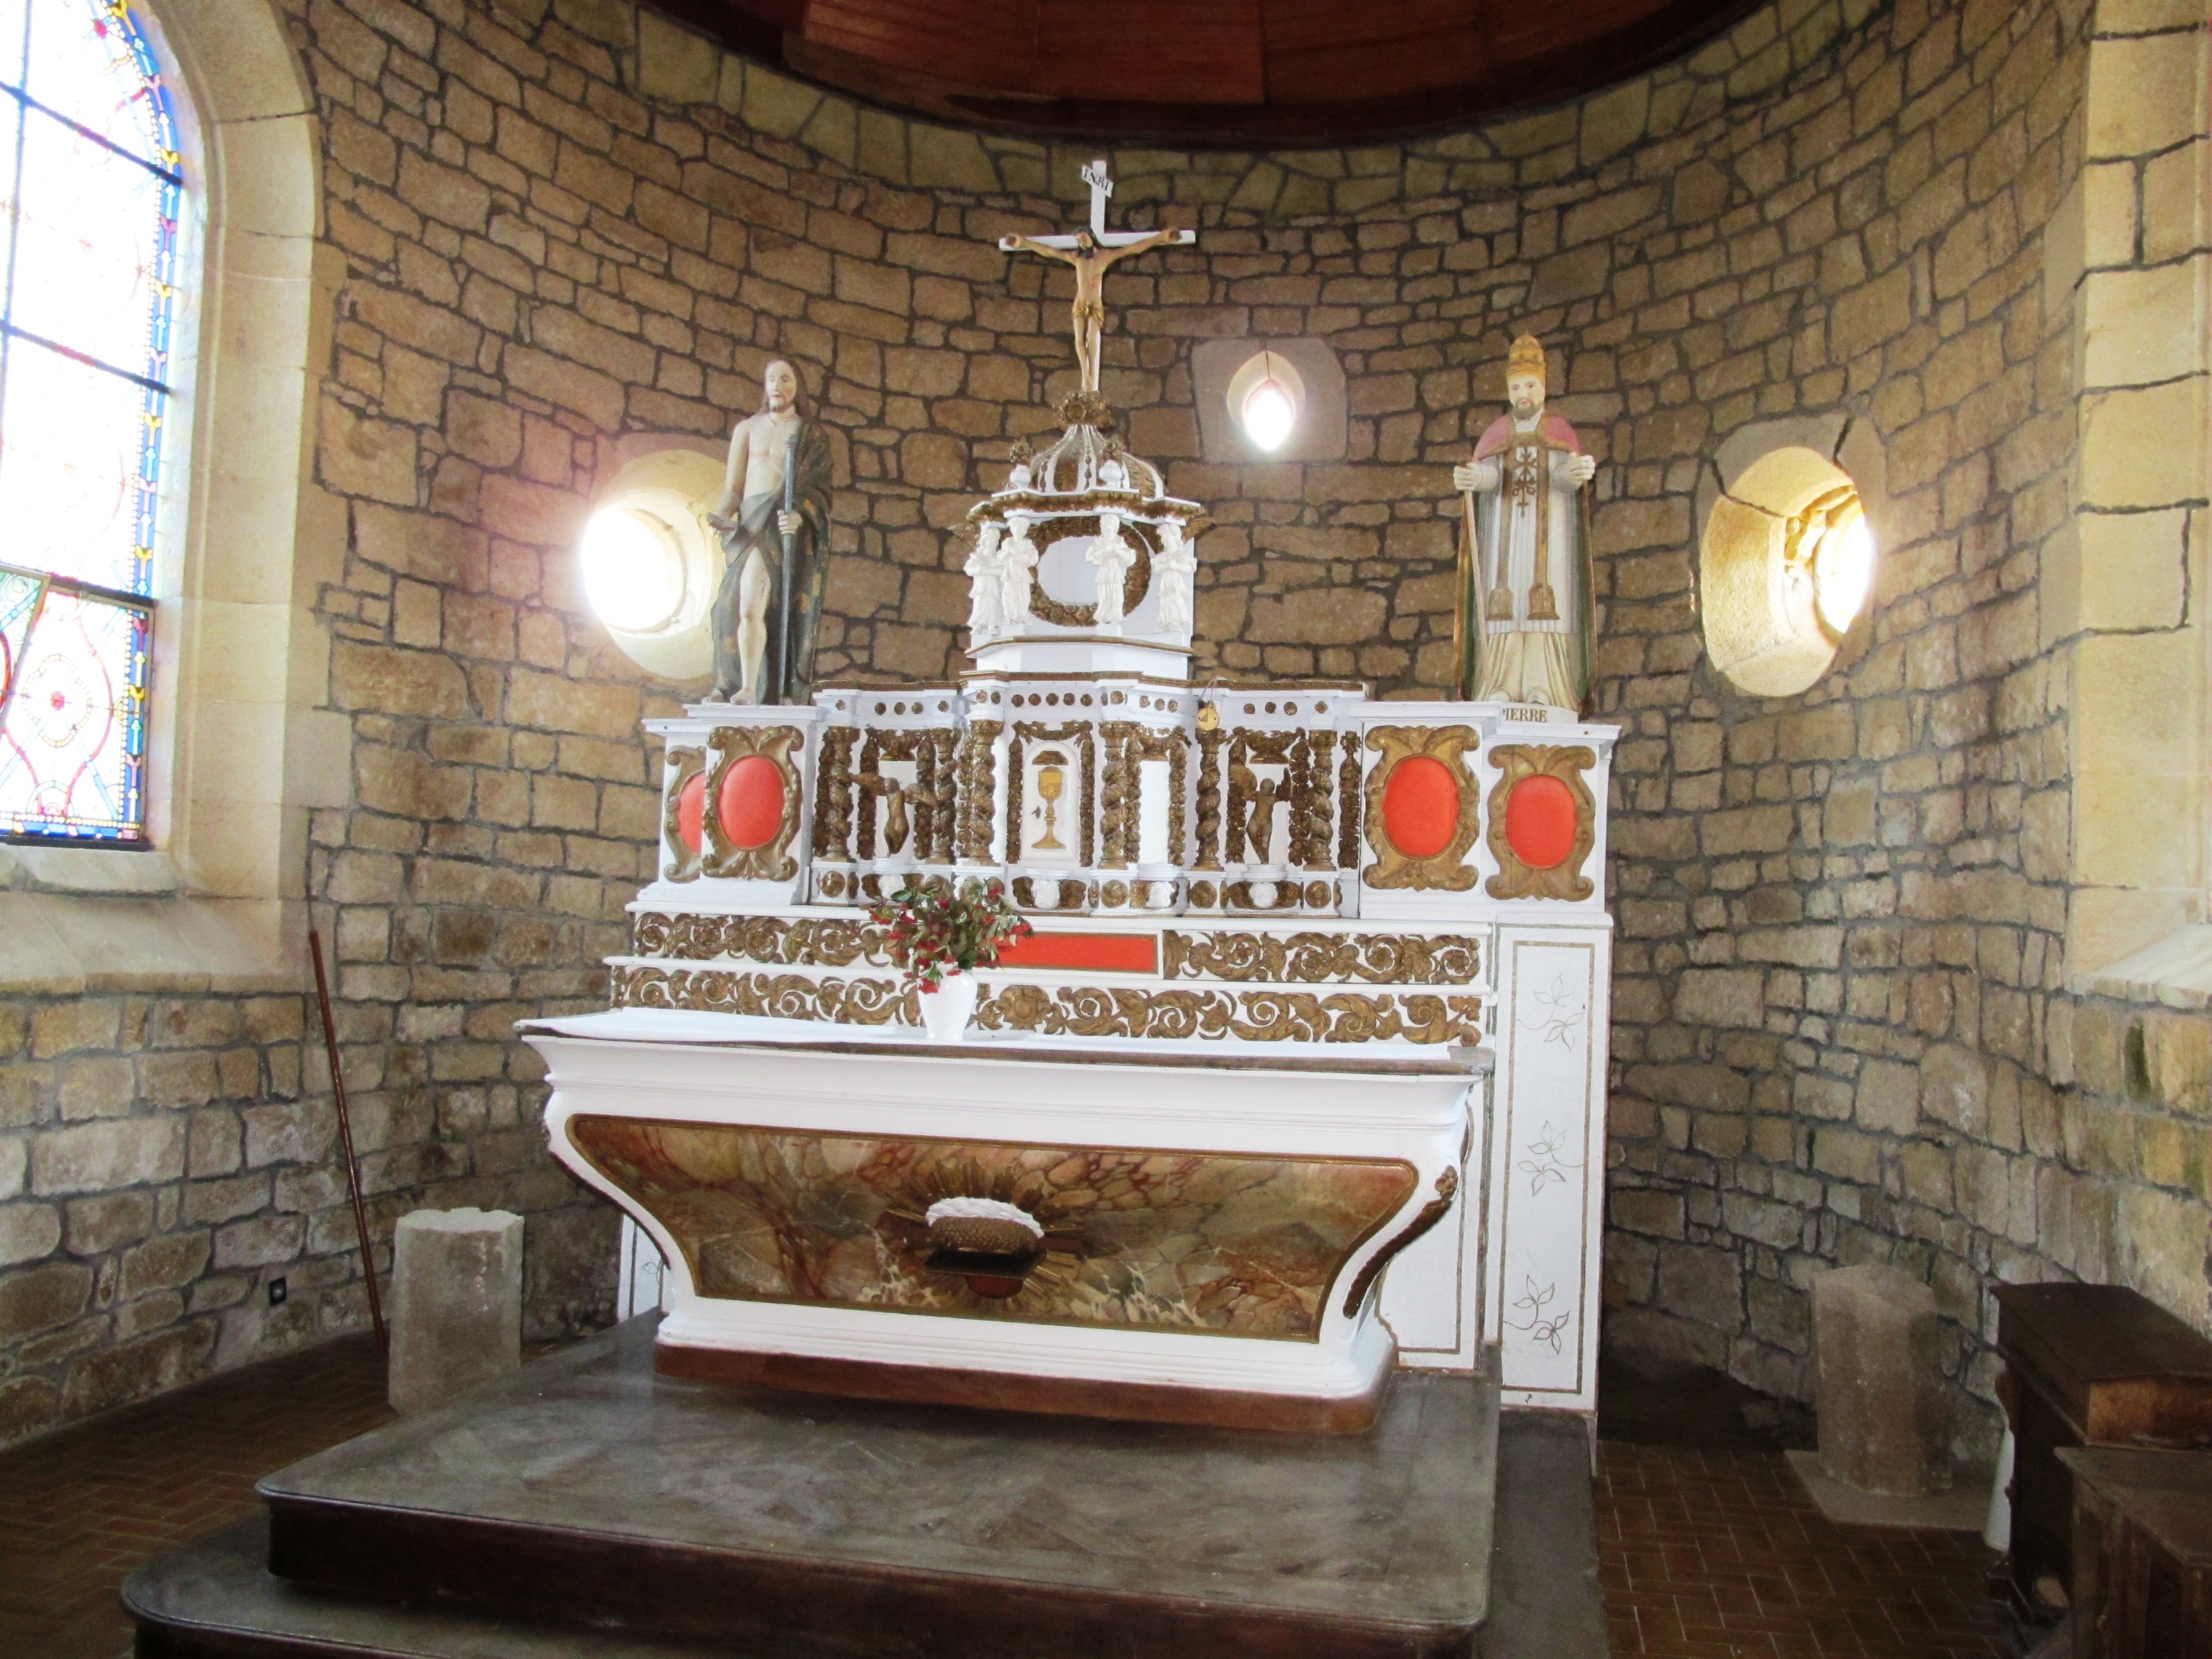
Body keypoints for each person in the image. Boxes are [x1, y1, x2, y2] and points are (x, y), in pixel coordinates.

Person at [1451, 335, 1598, 712]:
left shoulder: (1559, 430)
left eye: (1530, 385)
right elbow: (1489, 475)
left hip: (1552, 536)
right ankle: (1499, 683)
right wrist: (1473, 477)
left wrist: (1574, 474)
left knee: (1547, 606)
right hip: (1504, 533)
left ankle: (1543, 687)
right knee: (1504, 606)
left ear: (1544, 388)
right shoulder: (1497, 432)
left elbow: (1563, 476)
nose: (1523, 394)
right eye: (1516, 387)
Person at [708, 359, 831, 704]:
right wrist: (722, 515)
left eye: (786, 378)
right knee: (726, 608)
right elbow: (733, 488)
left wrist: (801, 515)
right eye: (772, 378)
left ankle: (750, 689)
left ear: (797, 386)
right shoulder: (747, 429)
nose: (778, 385)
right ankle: (733, 683)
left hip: (779, 526)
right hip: (748, 525)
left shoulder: (809, 434)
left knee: (755, 606)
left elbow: (819, 491)